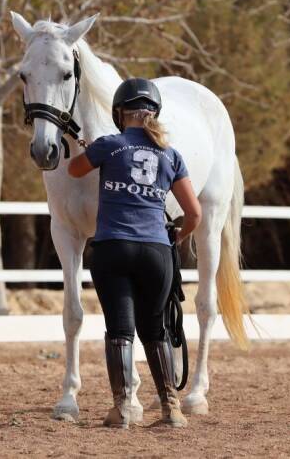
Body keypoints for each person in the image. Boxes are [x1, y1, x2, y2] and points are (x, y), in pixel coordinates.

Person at [67, 78, 202, 429]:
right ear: (154, 113)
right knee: (155, 329)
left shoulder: (109, 145)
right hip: (156, 251)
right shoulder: (172, 155)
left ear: (119, 113)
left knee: (119, 330)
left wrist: (91, 150)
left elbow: (73, 170)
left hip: (113, 247)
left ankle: (123, 407)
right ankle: (171, 408)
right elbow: (194, 214)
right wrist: (177, 237)